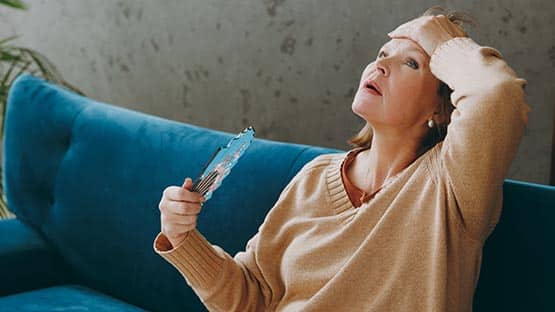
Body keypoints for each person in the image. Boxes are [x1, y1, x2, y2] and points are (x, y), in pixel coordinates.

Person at [153, 6, 531, 311]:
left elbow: (497, 95)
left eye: (411, 63)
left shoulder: (453, 185)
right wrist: (182, 237)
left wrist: (442, 41)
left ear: (440, 108)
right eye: (383, 54)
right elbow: (253, 297)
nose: (379, 66)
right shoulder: (314, 177)